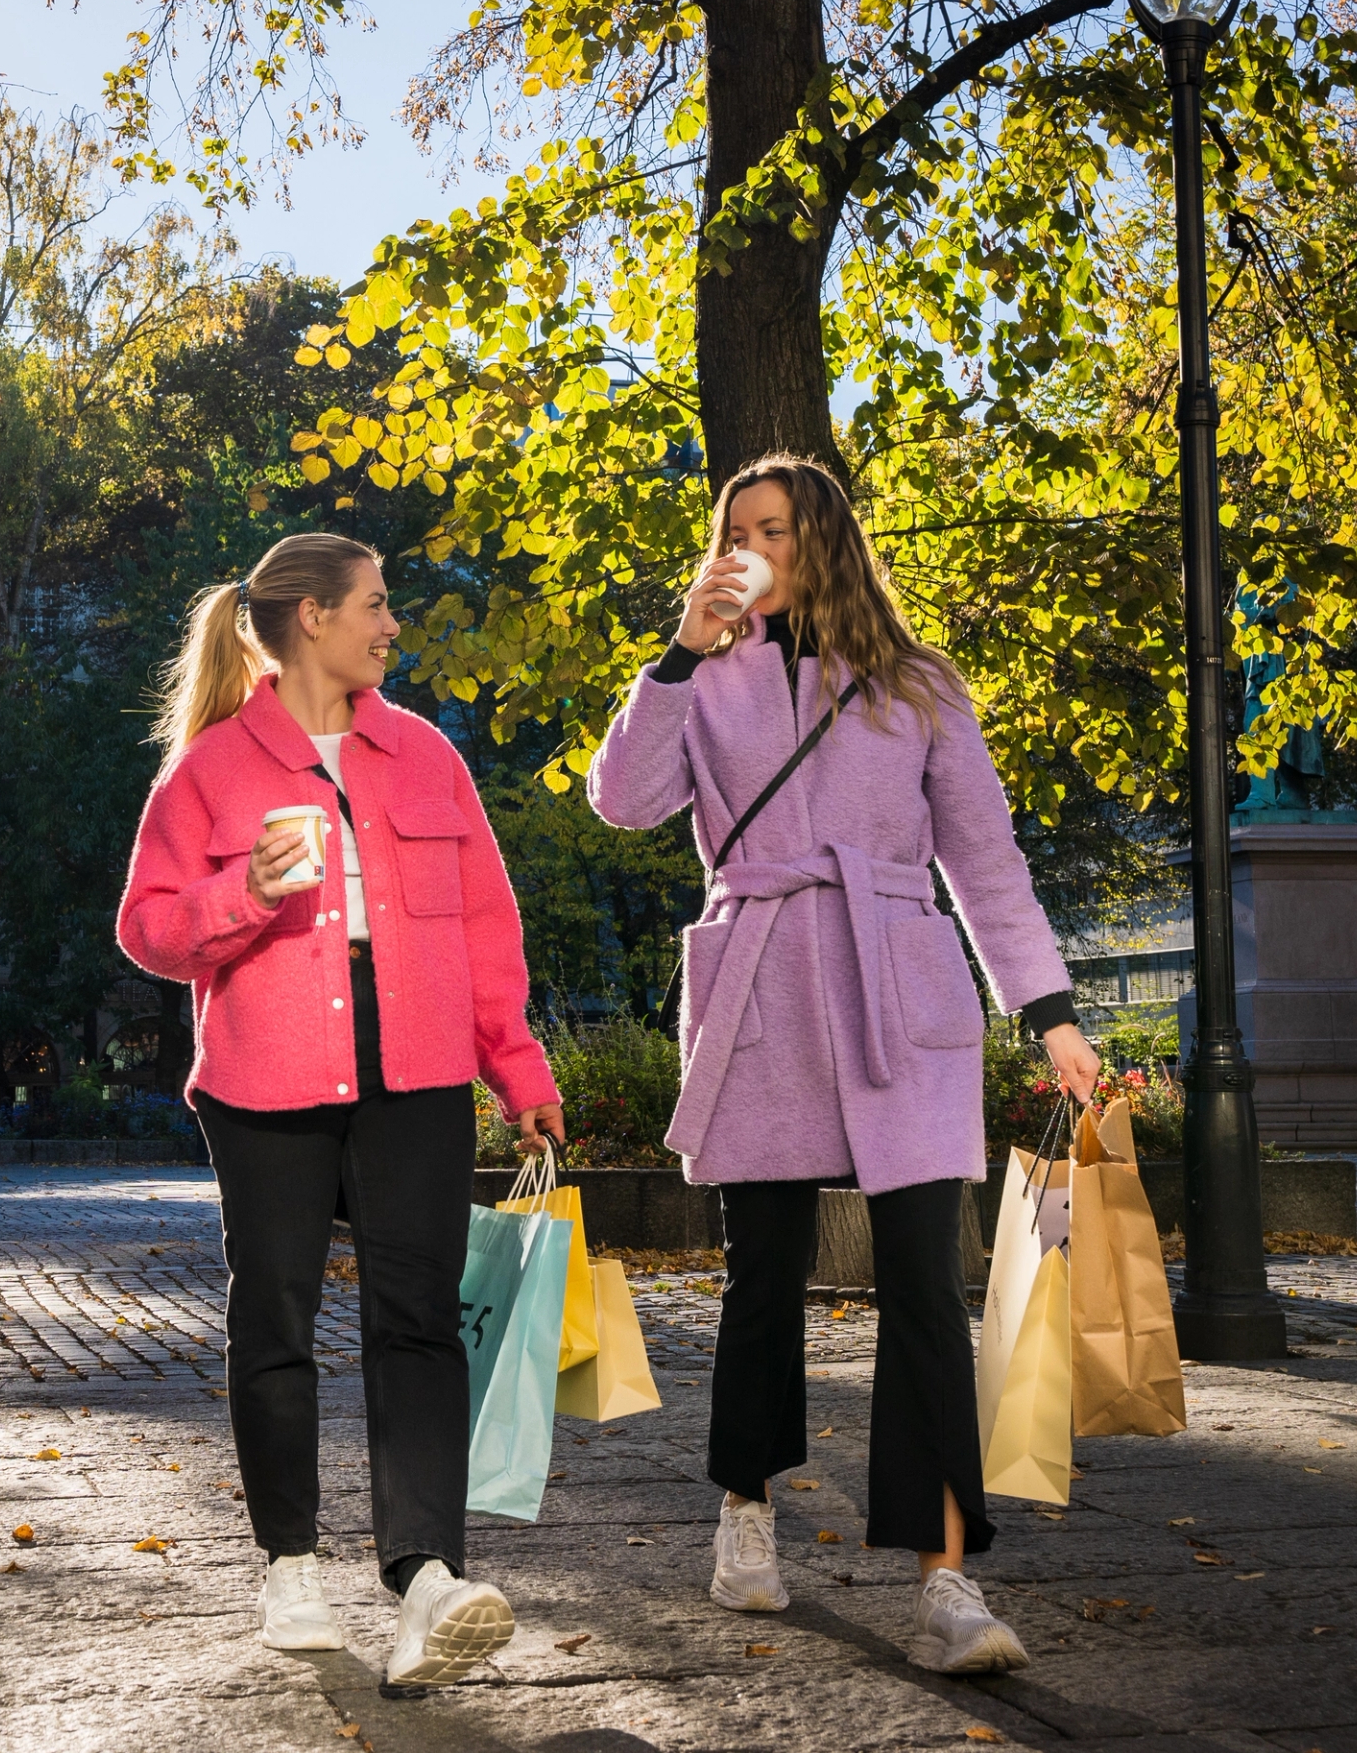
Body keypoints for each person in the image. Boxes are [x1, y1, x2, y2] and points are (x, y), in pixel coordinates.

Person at [585, 453, 1101, 1676]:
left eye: (773, 530)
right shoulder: (698, 681)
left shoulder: (917, 685)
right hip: (762, 988)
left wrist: (1053, 1014)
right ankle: (746, 1513)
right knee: (764, 1274)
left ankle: (947, 1576)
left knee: (927, 1283)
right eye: (734, 533)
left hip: (898, 991)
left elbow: (985, 862)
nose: (750, 549)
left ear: (823, 541)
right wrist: (676, 651)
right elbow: (622, 799)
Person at [116, 531, 566, 1685]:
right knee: (274, 1312)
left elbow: (483, 931)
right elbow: (150, 928)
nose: (391, 623)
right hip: (264, 1068)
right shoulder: (212, 766)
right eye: (376, 604)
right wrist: (243, 893)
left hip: (416, 1067)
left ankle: (426, 1577)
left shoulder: (426, 758)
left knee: (417, 1316)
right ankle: (290, 1565)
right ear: (312, 616)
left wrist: (518, 1071)